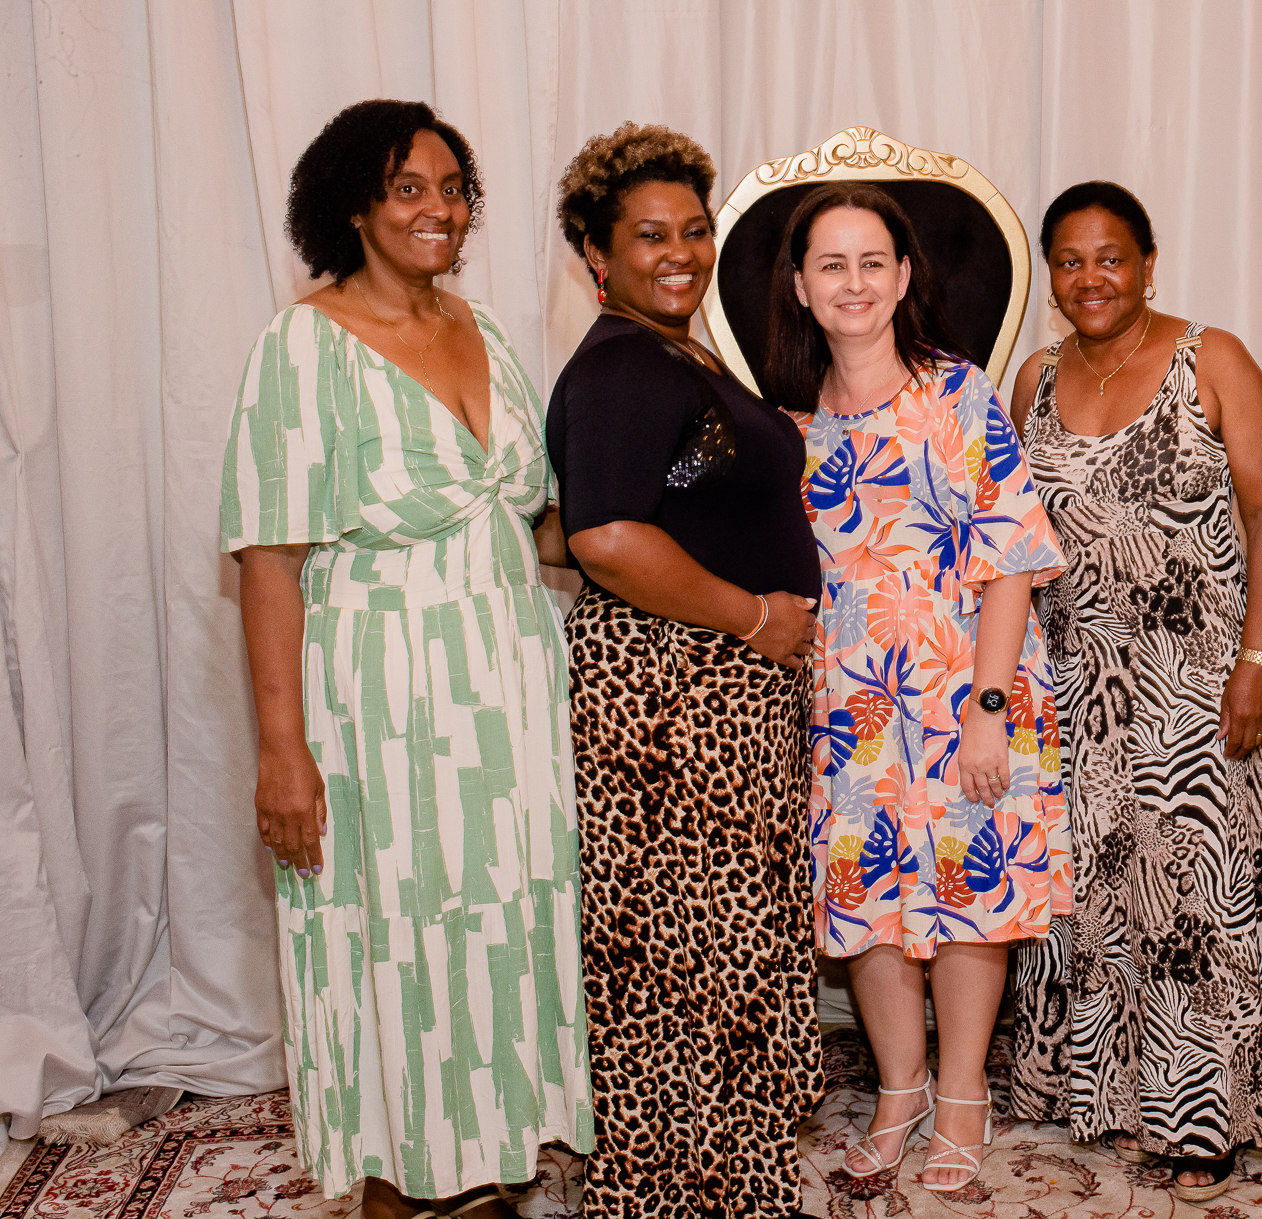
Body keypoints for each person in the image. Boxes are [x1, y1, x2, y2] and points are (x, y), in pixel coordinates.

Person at [220, 100, 592, 1219]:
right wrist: (282, 751)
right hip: (380, 695)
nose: (440, 209)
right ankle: (397, 1180)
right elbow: (268, 560)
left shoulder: (485, 331)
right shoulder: (302, 345)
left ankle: (486, 1165)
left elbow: (541, 524)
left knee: (499, 917)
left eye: (453, 188)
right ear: (353, 206)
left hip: (509, 687)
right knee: (393, 928)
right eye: (409, 188)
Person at [760, 183, 1071, 1195]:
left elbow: (1012, 559)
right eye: (831, 264)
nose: (852, 282)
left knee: (972, 892)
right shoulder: (789, 426)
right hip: (851, 703)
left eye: (870, 262)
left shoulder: (957, 392)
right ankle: (900, 1090)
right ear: (801, 287)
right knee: (870, 899)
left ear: (901, 278)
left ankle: (964, 1094)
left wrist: (987, 711)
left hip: (965, 683)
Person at [547, 122, 824, 1219]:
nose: (681, 252)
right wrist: (753, 615)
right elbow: (605, 536)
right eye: (649, 235)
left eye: (694, 230)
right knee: (683, 955)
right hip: (675, 691)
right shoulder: (623, 362)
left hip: (714, 683)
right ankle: (675, 1190)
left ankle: (730, 1177)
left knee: (726, 940)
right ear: (596, 254)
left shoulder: (677, 352)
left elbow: (660, 495)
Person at [1003, 181, 1262, 1204]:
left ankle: (1205, 1118)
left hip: (1196, 680)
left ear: (1149, 263)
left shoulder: (1213, 361)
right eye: (1070, 260)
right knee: (1087, 896)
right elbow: (1011, 536)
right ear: (1052, 275)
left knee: (1196, 901)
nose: (1091, 277)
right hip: (1069, 679)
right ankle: (1102, 1094)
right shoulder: (1036, 377)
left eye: (1111, 257)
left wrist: (1258, 662)